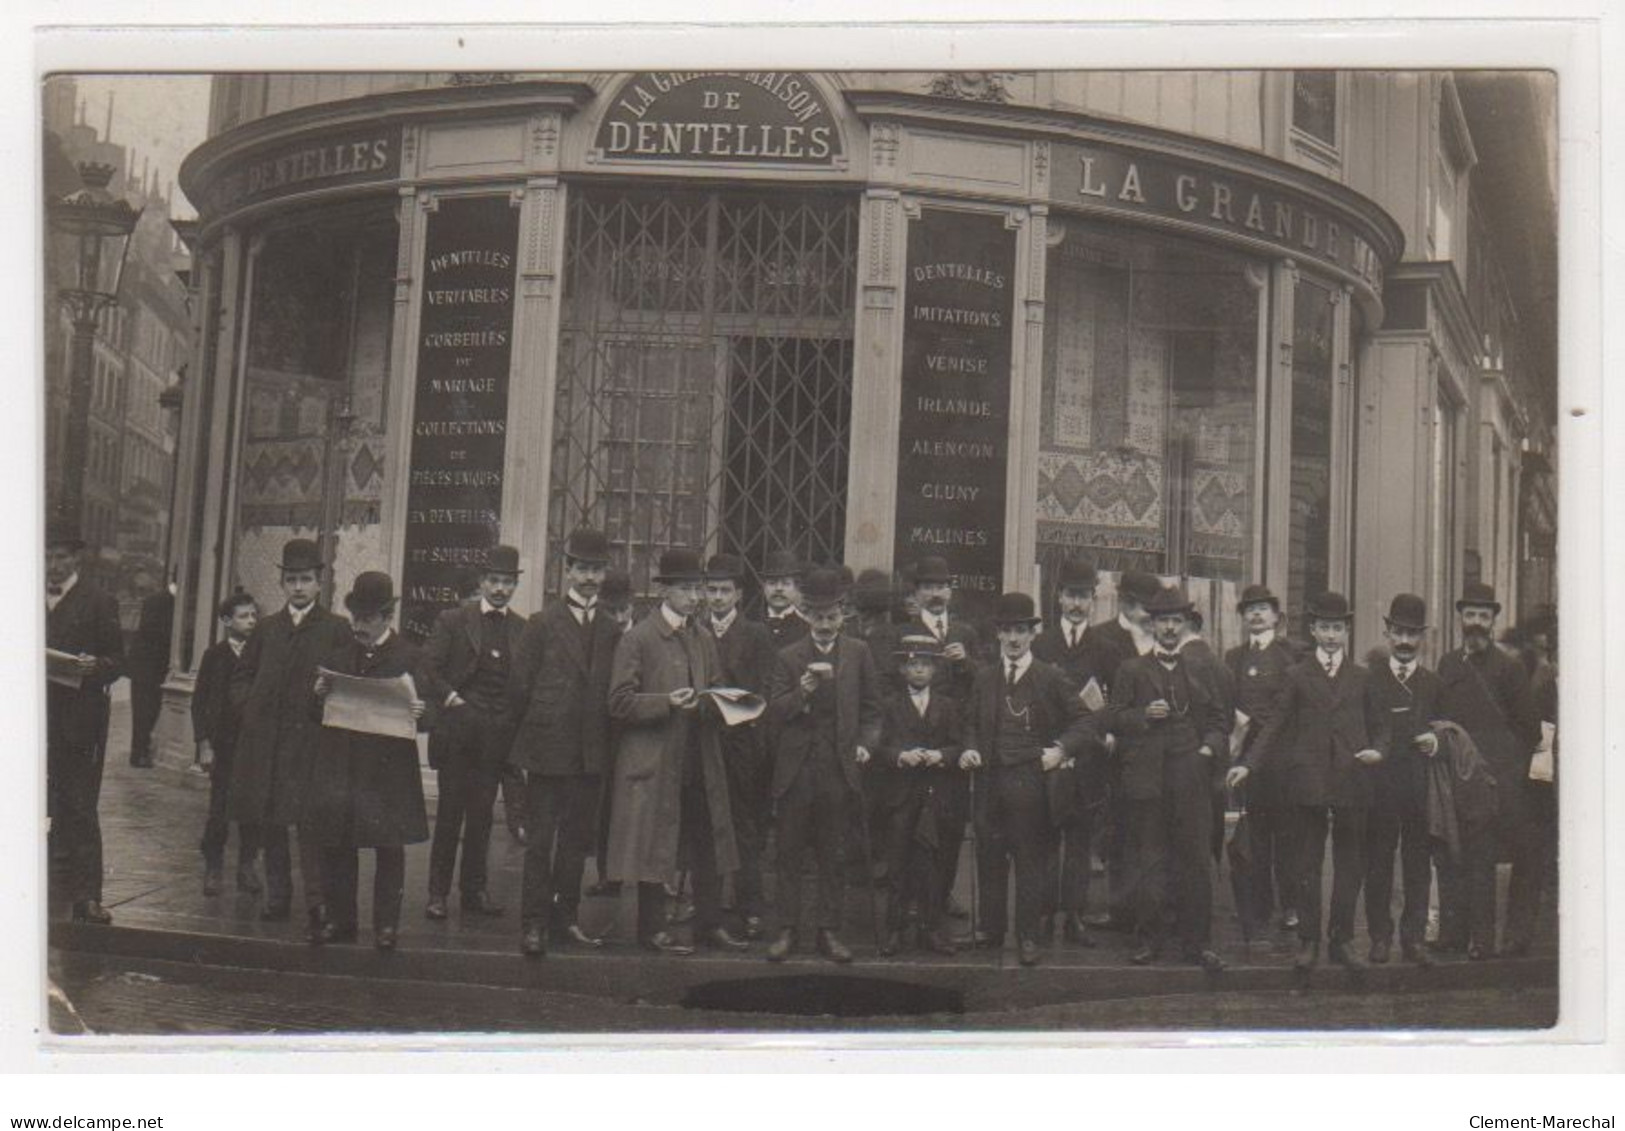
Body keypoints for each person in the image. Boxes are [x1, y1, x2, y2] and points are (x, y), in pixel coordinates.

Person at [1228, 592, 1382, 971]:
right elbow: (1276, 723)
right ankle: (1309, 940)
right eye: (1324, 628)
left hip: (1351, 779)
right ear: (1313, 630)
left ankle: (1342, 940)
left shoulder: (1362, 677)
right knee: (1306, 864)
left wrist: (1379, 750)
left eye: (1338, 628)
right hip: (1308, 781)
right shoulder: (1298, 675)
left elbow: (1382, 727)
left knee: (1349, 864)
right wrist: (1249, 764)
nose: (1331, 636)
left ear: (1347, 631)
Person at [604, 548, 747, 955]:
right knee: (655, 842)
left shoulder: (701, 637)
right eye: (686, 589)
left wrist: (720, 702)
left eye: (697, 589)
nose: (695, 597)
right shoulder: (639, 638)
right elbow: (618, 702)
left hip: (699, 757)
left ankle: (709, 925)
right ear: (665, 591)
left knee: (707, 841)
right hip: (656, 760)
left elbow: (715, 685)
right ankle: (651, 929)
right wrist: (666, 701)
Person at [960, 592, 1095, 967]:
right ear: (998, 635)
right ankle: (990, 930)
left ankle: (1028, 936)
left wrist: (1061, 750)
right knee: (989, 857)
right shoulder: (985, 677)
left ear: (1032, 634)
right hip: (989, 782)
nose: (1014, 639)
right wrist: (970, 747)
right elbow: (970, 722)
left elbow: (1085, 721)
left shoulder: (1050, 676)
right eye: (1007, 631)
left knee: (1030, 862)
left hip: (1032, 784)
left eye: (1021, 631)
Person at [229, 538, 352, 936]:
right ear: (282, 584)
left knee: (309, 825)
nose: (298, 588)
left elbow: (345, 682)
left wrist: (323, 700)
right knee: (271, 822)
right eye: (292, 580)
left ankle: (316, 902)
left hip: (311, 743)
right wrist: (249, 707)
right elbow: (242, 675)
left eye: (306, 580)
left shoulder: (335, 629)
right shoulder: (267, 629)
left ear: (320, 584)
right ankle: (277, 896)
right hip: (267, 744)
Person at [506, 531, 621, 956]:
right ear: (567, 570)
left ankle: (564, 918)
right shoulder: (542, 623)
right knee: (540, 842)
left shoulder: (612, 629)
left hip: (590, 754)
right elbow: (519, 688)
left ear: (604, 574)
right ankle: (533, 924)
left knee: (576, 842)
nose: (589, 577)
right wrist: (520, 751)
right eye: (582, 569)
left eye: (596, 569)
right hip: (546, 750)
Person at [765, 567, 883, 963]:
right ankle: (785, 930)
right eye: (818, 617)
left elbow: (872, 710)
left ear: (843, 614)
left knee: (833, 854)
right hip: (797, 772)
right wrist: (801, 691)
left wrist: (866, 745)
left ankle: (829, 931)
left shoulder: (858, 652)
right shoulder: (788, 657)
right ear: (806, 616)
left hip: (838, 768)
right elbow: (774, 712)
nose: (826, 625)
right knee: (789, 853)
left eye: (833, 617)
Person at [1108, 586, 1229, 971]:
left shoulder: (1201, 669)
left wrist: (1209, 748)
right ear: (1153, 625)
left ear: (1185, 625)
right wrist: (1144, 714)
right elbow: (1114, 718)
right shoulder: (1132, 670)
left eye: (1177, 621)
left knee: (1194, 862)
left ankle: (1197, 944)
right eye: (1164, 621)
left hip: (1191, 778)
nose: (1171, 629)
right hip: (1148, 781)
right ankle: (1149, 940)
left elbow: (1219, 720)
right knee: (1150, 863)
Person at [307, 572, 429, 950]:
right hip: (344, 765)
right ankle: (341, 921)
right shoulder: (338, 656)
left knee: (388, 847)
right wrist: (318, 695)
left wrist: (422, 712)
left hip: (389, 770)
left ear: (386, 617)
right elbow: (316, 715)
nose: (358, 625)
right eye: (355, 616)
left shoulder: (410, 656)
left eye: (367, 618)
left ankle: (385, 926)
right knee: (338, 844)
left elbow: (434, 713)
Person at [422, 545, 528, 922]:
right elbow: (428, 668)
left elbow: (524, 683)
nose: (500, 588)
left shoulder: (521, 627)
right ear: (482, 582)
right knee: (450, 815)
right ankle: (437, 893)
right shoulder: (454, 619)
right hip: (458, 733)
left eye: (507, 582)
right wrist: (451, 699)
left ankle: (474, 892)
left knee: (483, 817)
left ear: (515, 585)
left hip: (495, 737)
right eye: (494, 581)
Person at [1435, 582, 1540, 958]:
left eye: (1483, 616)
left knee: (1494, 857)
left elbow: (1528, 729)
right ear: (1460, 618)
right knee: (1460, 856)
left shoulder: (1509, 669)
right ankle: (1459, 934)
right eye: (1470, 615)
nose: (1476, 623)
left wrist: (1504, 769)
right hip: (1460, 779)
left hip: (1499, 780)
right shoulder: (1447, 664)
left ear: (1493, 620)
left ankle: (1492, 938)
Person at [1029, 556, 1112, 946]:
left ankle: (1074, 916)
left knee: (1079, 842)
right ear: (1058, 597)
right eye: (1070, 595)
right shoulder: (1041, 643)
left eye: (1084, 596)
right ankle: (1044, 914)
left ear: (1093, 599)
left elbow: (1114, 704)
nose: (1077, 604)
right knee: (1045, 838)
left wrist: (1097, 735)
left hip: (1088, 756)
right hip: (1049, 753)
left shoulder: (1106, 647)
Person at [45, 522, 125, 924]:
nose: (52, 565)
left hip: (78, 720)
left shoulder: (98, 601)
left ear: (76, 558)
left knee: (79, 805)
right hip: (32, 717)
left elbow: (117, 661)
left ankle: (87, 895)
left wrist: (96, 666)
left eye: (60, 557)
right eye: (46, 557)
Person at [1362, 593, 1443, 967]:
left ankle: (1413, 939)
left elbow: (1449, 729)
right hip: (1380, 787)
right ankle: (1380, 936)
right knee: (1378, 861)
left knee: (1416, 863)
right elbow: (1358, 729)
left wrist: (1436, 739)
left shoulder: (1432, 683)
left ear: (1422, 637)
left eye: (1413, 634)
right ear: (1387, 632)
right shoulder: (1370, 681)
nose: (1406, 641)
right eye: (1399, 632)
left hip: (1418, 785)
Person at [874, 634, 963, 956]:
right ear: (902, 669)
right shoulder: (889, 706)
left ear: (936, 669)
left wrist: (941, 756)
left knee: (934, 867)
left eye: (926, 664)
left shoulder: (948, 706)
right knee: (898, 864)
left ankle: (931, 929)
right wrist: (900, 755)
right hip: (900, 796)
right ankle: (894, 929)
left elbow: (959, 744)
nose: (920, 671)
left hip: (936, 796)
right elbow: (877, 748)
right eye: (913, 664)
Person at [906, 556, 983, 927]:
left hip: (952, 739)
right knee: (911, 820)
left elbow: (985, 681)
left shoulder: (965, 632)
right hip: (915, 737)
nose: (935, 595)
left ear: (951, 591)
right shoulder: (902, 630)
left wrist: (966, 662)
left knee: (951, 823)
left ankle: (943, 893)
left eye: (941, 587)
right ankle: (911, 895)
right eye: (927, 588)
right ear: (916, 594)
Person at [1083, 568, 1161, 934]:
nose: (1152, 614)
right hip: (1116, 750)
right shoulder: (1101, 637)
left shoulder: (1162, 636)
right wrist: (1105, 731)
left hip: (1158, 750)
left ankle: (1154, 909)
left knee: (1154, 831)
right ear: (1127, 603)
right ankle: (1121, 909)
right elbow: (1089, 691)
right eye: (1146, 607)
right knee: (1120, 830)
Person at [705, 553, 777, 940]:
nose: (717, 598)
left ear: (738, 595)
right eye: (711, 590)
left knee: (744, 828)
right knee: (705, 825)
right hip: (705, 743)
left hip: (743, 744)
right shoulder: (696, 630)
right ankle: (708, 905)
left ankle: (750, 905)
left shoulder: (756, 635)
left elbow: (762, 693)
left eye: (724, 591)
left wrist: (717, 705)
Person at [1223, 584, 1300, 936]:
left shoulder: (1291, 656)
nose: (1255, 614)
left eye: (1262, 609)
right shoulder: (1234, 658)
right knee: (1256, 834)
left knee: (1287, 835)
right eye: (1249, 609)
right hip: (1245, 760)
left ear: (1276, 616)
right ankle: (1260, 905)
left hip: (1282, 759)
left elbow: (1291, 711)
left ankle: (1291, 906)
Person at [193, 592, 261, 896]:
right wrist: (204, 743)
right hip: (223, 745)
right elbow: (201, 702)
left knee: (251, 809)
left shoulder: (261, 654)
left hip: (252, 746)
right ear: (226, 621)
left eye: (253, 616)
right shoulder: (215, 656)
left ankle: (247, 866)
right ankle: (214, 867)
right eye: (243, 616)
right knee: (219, 809)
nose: (250, 621)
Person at [588, 568, 634, 898]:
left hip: (638, 731)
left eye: (623, 609)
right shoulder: (598, 638)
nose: (619, 617)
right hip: (605, 733)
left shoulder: (644, 635)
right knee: (607, 806)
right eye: (611, 610)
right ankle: (609, 873)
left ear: (632, 605)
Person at [127, 570, 173, 769]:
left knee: (148, 711)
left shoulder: (161, 599)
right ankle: (139, 753)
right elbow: (151, 632)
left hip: (155, 666)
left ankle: (142, 751)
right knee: (145, 711)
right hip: (147, 667)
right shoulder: (157, 601)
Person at [758, 550, 809, 648]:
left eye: (786, 583)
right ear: (763, 587)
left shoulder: (807, 630)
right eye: (772, 583)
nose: (779, 589)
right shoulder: (750, 624)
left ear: (796, 588)